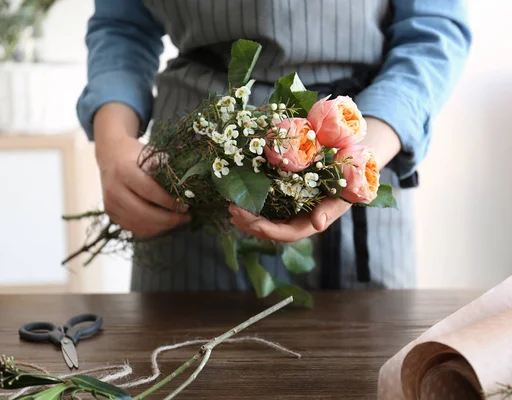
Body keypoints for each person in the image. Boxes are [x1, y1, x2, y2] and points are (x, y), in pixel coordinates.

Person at [77, 0, 471, 292]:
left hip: (360, 156)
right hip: (189, 176)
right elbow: (122, 26)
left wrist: (355, 156)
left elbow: (431, 32)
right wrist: (112, 146)